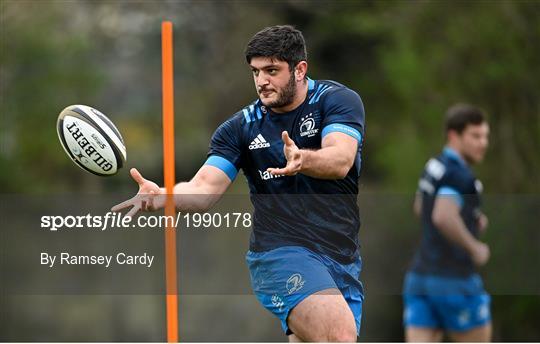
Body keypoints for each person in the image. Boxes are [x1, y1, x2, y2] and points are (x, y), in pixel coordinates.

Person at [112, 25, 365, 342]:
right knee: (339, 337)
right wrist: (163, 196)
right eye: (256, 72)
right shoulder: (240, 128)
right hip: (280, 253)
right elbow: (204, 189)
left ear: (300, 70)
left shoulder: (336, 100)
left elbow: (341, 159)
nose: (262, 81)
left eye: (272, 71)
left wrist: (304, 160)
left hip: (341, 256)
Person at [403, 104, 491, 342]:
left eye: (485, 136)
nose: (483, 143)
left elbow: (421, 208)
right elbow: (442, 216)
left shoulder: (434, 166)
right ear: (454, 135)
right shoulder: (460, 176)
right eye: (475, 136)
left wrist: (470, 218)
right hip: (454, 279)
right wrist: (475, 247)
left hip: (420, 277)